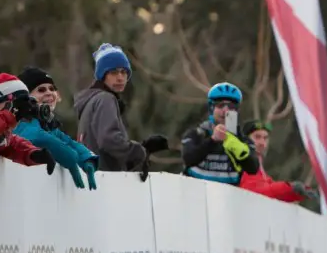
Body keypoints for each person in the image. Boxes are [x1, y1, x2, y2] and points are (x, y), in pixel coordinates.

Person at [74, 43, 168, 174]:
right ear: (103, 75)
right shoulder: (105, 99)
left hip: (94, 177)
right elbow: (109, 140)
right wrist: (140, 152)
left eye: (124, 72)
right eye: (113, 72)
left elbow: (102, 148)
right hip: (106, 182)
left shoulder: (90, 102)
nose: (120, 77)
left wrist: (140, 149)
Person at [14, 66, 99, 190]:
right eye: (41, 90)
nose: (49, 92)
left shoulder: (50, 125)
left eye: (52, 88)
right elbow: (33, 136)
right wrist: (63, 151)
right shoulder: (21, 119)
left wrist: (87, 160)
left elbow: (71, 143)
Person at [180, 82, 259, 184]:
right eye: (220, 105)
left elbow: (253, 169)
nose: (225, 111)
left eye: (231, 107)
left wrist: (237, 147)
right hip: (196, 194)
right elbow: (188, 159)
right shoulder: (196, 134)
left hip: (228, 197)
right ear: (211, 108)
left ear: (237, 111)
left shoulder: (243, 140)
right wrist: (212, 140)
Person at [0, 73, 56, 171]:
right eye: (12, 106)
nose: (16, 116)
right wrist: (9, 115)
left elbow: (9, 143)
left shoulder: (1, 126)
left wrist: (33, 154)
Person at [239, 119, 318, 202]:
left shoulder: (258, 167)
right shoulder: (243, 161)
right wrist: (290, 188)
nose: (262, 143)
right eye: (257, 137)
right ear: (245, 139)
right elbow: (255, 191)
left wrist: (296, 192)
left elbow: (271, 189)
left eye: (265, 138)